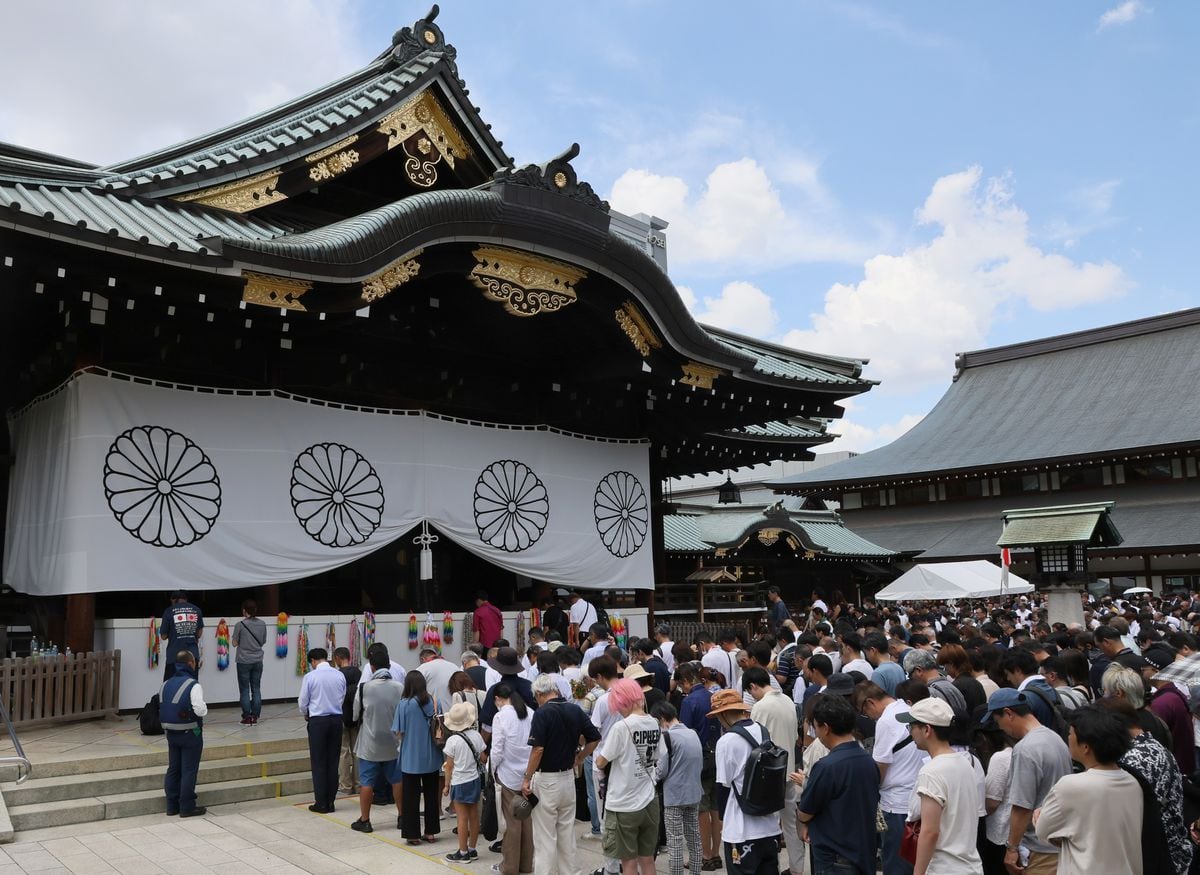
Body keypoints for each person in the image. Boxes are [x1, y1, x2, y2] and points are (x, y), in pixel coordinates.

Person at [1033, 706, 1143, 874]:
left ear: (1085, 747)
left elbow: (1043, 830)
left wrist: (1039, 815)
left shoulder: (1071, 786)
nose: (1068, 738)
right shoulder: (1133, 782)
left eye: (1070, 734)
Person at [979, 688, 1071, 875]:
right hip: (1060, 840)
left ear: (1008, 713)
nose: (1001, 729)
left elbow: (1022, 805)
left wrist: (1011, 848)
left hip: (1039, 847)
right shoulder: (1054, 738)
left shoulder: (1025, 748)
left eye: (998, 722)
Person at [523, 672, 601, 875]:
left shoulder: (542, 713)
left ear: (540, 694)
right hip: (568, 777)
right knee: (566, 833)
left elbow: (537, 749)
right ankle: (570, 872)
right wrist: (581, 757)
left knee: (545, 837)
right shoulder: (574, 709)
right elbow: (594, 737)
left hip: (547, 779)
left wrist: (527, 778)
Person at [896, 698, 982, 875]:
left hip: (944, 868)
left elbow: (930, 831)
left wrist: (918, 872)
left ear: (926, 729)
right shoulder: (965, 762)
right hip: (971, 865)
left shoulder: (931, 771)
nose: (910, 732)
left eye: (911, 726)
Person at [797, 695, 881, 875]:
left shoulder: (827, 766)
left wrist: (804, 821)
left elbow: (805, 812)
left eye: (816, 726)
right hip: (864, 852)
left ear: (826, 728)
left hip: (835, 856)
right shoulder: (868, 761)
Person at [855, 681, 927, 875]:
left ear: (870, 703)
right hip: (919, 798)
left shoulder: (886, 721)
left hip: (896, 804)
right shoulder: (908, 708)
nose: (868, 717)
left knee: (897, 865)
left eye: (864, 712)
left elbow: (880, 767)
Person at [594, 678, 664, 875]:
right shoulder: (654, 722)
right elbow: (660, 755)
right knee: (647, 859)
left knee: (628, 862)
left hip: (623, 802)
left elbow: (601, 761)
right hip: (649, 798)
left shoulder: (621, 727)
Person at [708, 689, 780, 875]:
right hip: (770, 825)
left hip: (741, 830)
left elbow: (722, 786)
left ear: (723, 714)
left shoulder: (726, 741)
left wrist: (723, 819)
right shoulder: (763, 732)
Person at [744, 666, 803, 875]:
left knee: (769, 825)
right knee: (791, 824)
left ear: (753, 686)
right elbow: (797, 736)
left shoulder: (760, 707)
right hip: (789, 770)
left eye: (750, 691)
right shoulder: (788, 700)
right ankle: (797, 868)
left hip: (768, 774)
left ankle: (771, 867)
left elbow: (755, 741)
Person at [350, 646, 404, 833]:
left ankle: (365, 820)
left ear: (372, 667)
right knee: (397, 780)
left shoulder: (365, 687)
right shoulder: (400, 687)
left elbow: (356, 714)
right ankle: (402, 817)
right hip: (394, 742)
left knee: (367, 782)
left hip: (370, 743)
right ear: (388, 666)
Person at [653, 701, 703, 875]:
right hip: (694, 792)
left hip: (674, 796)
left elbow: (661, 770)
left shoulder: (667, 737)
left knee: (675, 843)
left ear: (662, 719)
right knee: (694, 839)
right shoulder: (693, 734)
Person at [394, 671, 444, 844]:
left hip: (411, 757)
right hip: (432, 756)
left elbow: (398, 731)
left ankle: (412, 834)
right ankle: (431, 832)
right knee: (431, 795)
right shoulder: (433, 701)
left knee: (410, 797)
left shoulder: (404, 704)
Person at [490, 684, 534, 875]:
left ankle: (509, 867)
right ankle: (525, 865)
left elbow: (497, 750)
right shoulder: (530, 712)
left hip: (508, 775)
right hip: (528, 775)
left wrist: (491, 772)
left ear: (499, 698)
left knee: (512, 824)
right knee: (526, 820)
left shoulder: (500, 717)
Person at [160, 650, 208, 817]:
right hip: (190, 733)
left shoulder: (165, 684)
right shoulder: (193, 685)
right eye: (194, 662)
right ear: (190, 664)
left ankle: (172, 806)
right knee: (188, 770)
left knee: (173, 768)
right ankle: (187, 807)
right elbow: (200, 710)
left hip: (171, 733)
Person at [298, 647, 346, 814]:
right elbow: (342, 696)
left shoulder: (310, 677)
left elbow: (303, 701)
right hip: (336, 719)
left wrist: (306, 713)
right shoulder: (339, 675)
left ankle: (321, 802)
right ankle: (331, 801)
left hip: (318, 720)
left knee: (319, 762)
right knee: (333, 762)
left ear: (313, 661)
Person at [442, 701, 487, 863]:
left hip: (459, 782)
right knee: (474, 816)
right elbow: (483, 758)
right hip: (474, 780)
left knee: (462, 818)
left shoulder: (453, 741)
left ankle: (462, 852)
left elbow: (449, 766)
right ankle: (473, 848)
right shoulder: (476, 736)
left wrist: (446, 786)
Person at [480, 647, 536, 735]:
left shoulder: (495, 690)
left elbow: (487, 726)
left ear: (499, 668)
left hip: (504, 739)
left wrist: (481, 746)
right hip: (529, 737)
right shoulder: (530, 686)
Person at [231, 599, 266, 725]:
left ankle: (247, 716)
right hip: (258, 660)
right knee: (256, 688)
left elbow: (234, 643)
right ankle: (255, 715)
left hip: (243, 660)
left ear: (244, 610)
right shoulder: (262, 624)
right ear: (255, 610)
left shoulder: (240, 625)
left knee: (244, 689)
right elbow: (263, 641)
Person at [333, 646, 362, 797]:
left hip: (342, 717)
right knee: (357, 751)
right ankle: (358, 784)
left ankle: (345, 785)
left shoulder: (337, 675)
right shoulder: (358, 673)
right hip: (356, 718)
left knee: (344, 752)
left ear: (338, 658)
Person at [161, 590, 203, 680]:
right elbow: (199, 634)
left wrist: (173, 632)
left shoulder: (169, 611)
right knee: (191, 685)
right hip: (192, 657)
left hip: (174, 656)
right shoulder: (196, 610)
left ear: (174, 600)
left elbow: (163, 636)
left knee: (170, 685)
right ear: (186, 599)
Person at [864, 631, 906, 697]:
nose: (867, 656)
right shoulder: (898, 667)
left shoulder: (878, 673)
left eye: (866, 652)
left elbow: (878, 699)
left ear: (872, 650)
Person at [417, 646, 459, 710]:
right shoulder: (455, 667)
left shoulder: (422, 668)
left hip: (434, 715)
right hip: (456, 713)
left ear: (422, 659)